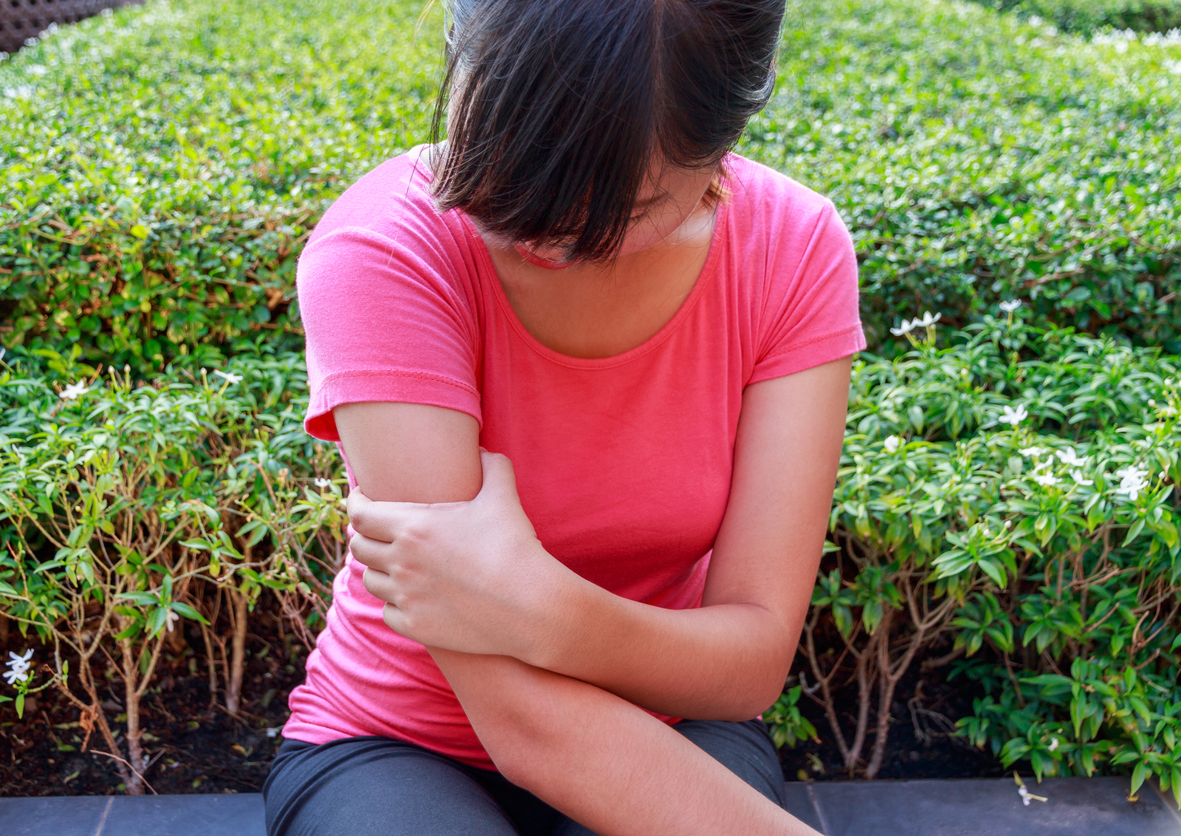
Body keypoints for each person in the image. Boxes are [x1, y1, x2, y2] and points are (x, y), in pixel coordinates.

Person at [263, 0, 866, 833]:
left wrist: (547, 610)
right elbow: (521, 721)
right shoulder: (386, 250)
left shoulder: (791, 250)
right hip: (400, 741)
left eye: (620, 211)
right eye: (508, 171)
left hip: (671, 722)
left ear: (724, 136)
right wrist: (532, 614)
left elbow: (751, 659)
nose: (545, 234)